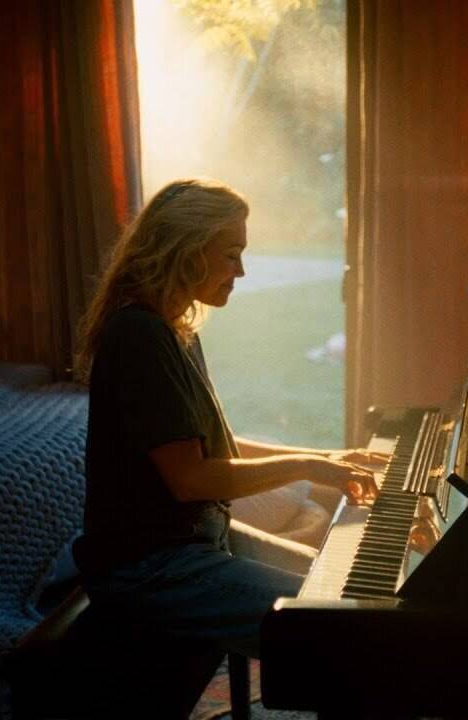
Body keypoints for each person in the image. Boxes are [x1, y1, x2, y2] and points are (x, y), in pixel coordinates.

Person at [70, 178, 383, 679]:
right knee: (341, 629)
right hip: (150, 571)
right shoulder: (138, 335)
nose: (241, 271)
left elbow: (217, 451)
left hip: (196, 545)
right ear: (187, 250)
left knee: (346, 588)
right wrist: (309, 466)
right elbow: (192, 479)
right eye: (231, 255)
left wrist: (331, 457)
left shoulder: (174, 330)